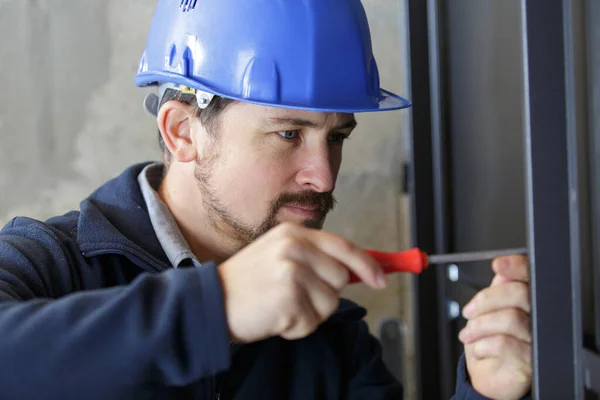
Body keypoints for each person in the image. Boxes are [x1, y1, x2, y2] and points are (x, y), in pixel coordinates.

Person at [0, 0, 532, 399]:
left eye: (337, 138)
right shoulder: (49, 264)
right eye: (287, 134)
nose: (323, 177)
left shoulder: (331, 336)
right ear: (183, 131)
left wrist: (486, 393)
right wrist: (217, 308)